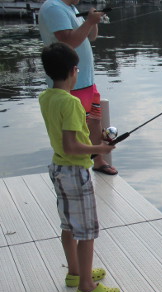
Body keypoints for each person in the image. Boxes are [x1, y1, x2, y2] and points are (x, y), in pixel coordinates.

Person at [39, 42, 121, 292]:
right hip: (75, 172)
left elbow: (64, 141)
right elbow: (72, 145)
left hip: (58, 169)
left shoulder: (46, 98)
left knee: (68, 225)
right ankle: (86, 286)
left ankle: (75, 272)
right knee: (87, 231)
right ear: (74, 71)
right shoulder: (72, 103)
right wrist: (101, 147)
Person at [38, 0, 118, 175]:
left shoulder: (70, 8)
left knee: (95, 120)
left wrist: (93, 22)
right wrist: (89, 21)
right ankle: (76, 166)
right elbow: (68, 41)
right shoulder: (53, 7)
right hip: (69, 83)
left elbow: (91, 37)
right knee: (75, 126)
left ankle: (97, 160)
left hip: (86, 79)